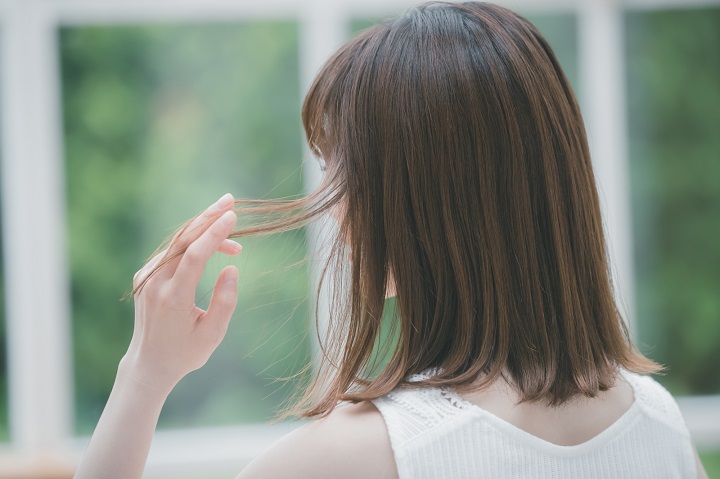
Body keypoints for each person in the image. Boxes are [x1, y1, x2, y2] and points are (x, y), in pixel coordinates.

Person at [74, 2, 710, 478]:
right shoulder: (657, 422)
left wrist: (144, 376)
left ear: (423, 198)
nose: (332, 207)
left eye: (340, 170)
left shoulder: (344, 459)